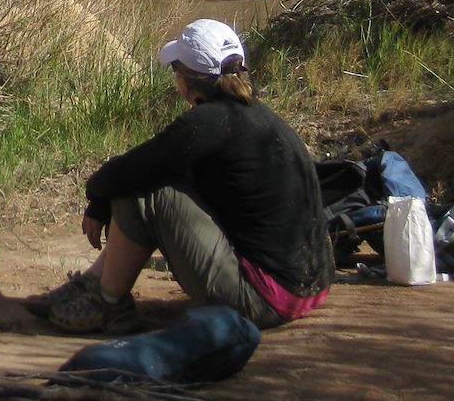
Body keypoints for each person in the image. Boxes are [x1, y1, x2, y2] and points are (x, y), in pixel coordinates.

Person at [31, 17, 333, 335]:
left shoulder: (208, 123)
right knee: (152, 178)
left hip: (266, 298)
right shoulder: (257, 116)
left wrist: (98, 197)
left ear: (184, 80)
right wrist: (102, 199)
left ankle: (108, 304)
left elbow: (128, 172)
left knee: (147, 191)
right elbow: (153, 166)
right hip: (307, 288)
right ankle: (93, 282)